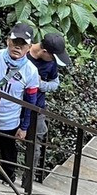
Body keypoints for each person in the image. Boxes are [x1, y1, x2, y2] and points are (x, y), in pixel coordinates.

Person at [0, 23, 41, 183]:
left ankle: (8, 179)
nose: (17, 47)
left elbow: (30, 102)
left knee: (9, 153)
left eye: (23, 44)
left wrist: (24, 127)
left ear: (29, 47)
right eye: (14, 42)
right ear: (7, 41)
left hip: (9, 122)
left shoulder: (31, 71)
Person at [27, 31, 69, 180]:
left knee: (35, 146)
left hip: (37, 108)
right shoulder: (23, 53)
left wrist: (40, 84)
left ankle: (28, 182)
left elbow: (55, 84)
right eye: (52, 56)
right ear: (44, 51)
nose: (53, 61)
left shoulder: (51, 63)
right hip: (16, 107)